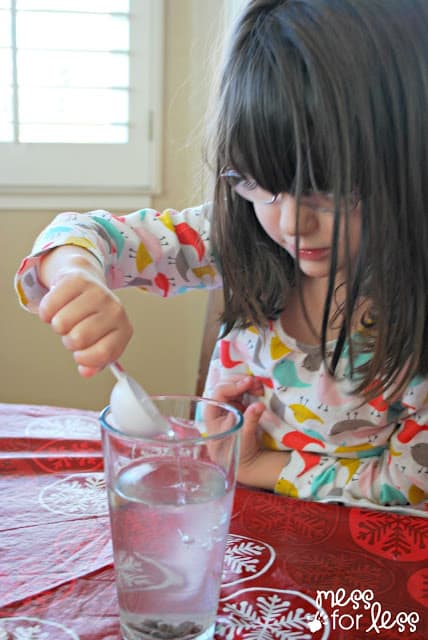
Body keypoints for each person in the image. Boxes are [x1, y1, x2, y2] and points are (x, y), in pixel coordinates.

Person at [15, 0, 428, 514]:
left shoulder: (413, 315)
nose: (292, 224)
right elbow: (82, 233)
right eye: (259, 183)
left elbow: (410, 487)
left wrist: (262, 468)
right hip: (228, 528)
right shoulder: (233, 235)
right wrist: (77, 273)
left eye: (332, 189)